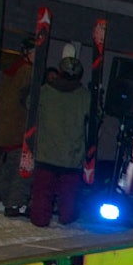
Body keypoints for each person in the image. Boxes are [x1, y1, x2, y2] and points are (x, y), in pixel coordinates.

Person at [28, 55, 89, 227]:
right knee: (68, 193)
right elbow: (94, 117)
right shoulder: (85, 96)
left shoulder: (45, 91)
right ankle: (66, 218)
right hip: (72, 155)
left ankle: (39, 220)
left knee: (42, 191)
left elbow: (29, 106)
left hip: (46, 152)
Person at [0, 37, 36, 217]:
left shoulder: (10, 72)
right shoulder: (27, 72)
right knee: (20, 168)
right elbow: (27, 101)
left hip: (4, 128)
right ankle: (14, 203)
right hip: (18, 130)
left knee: (7, 167)